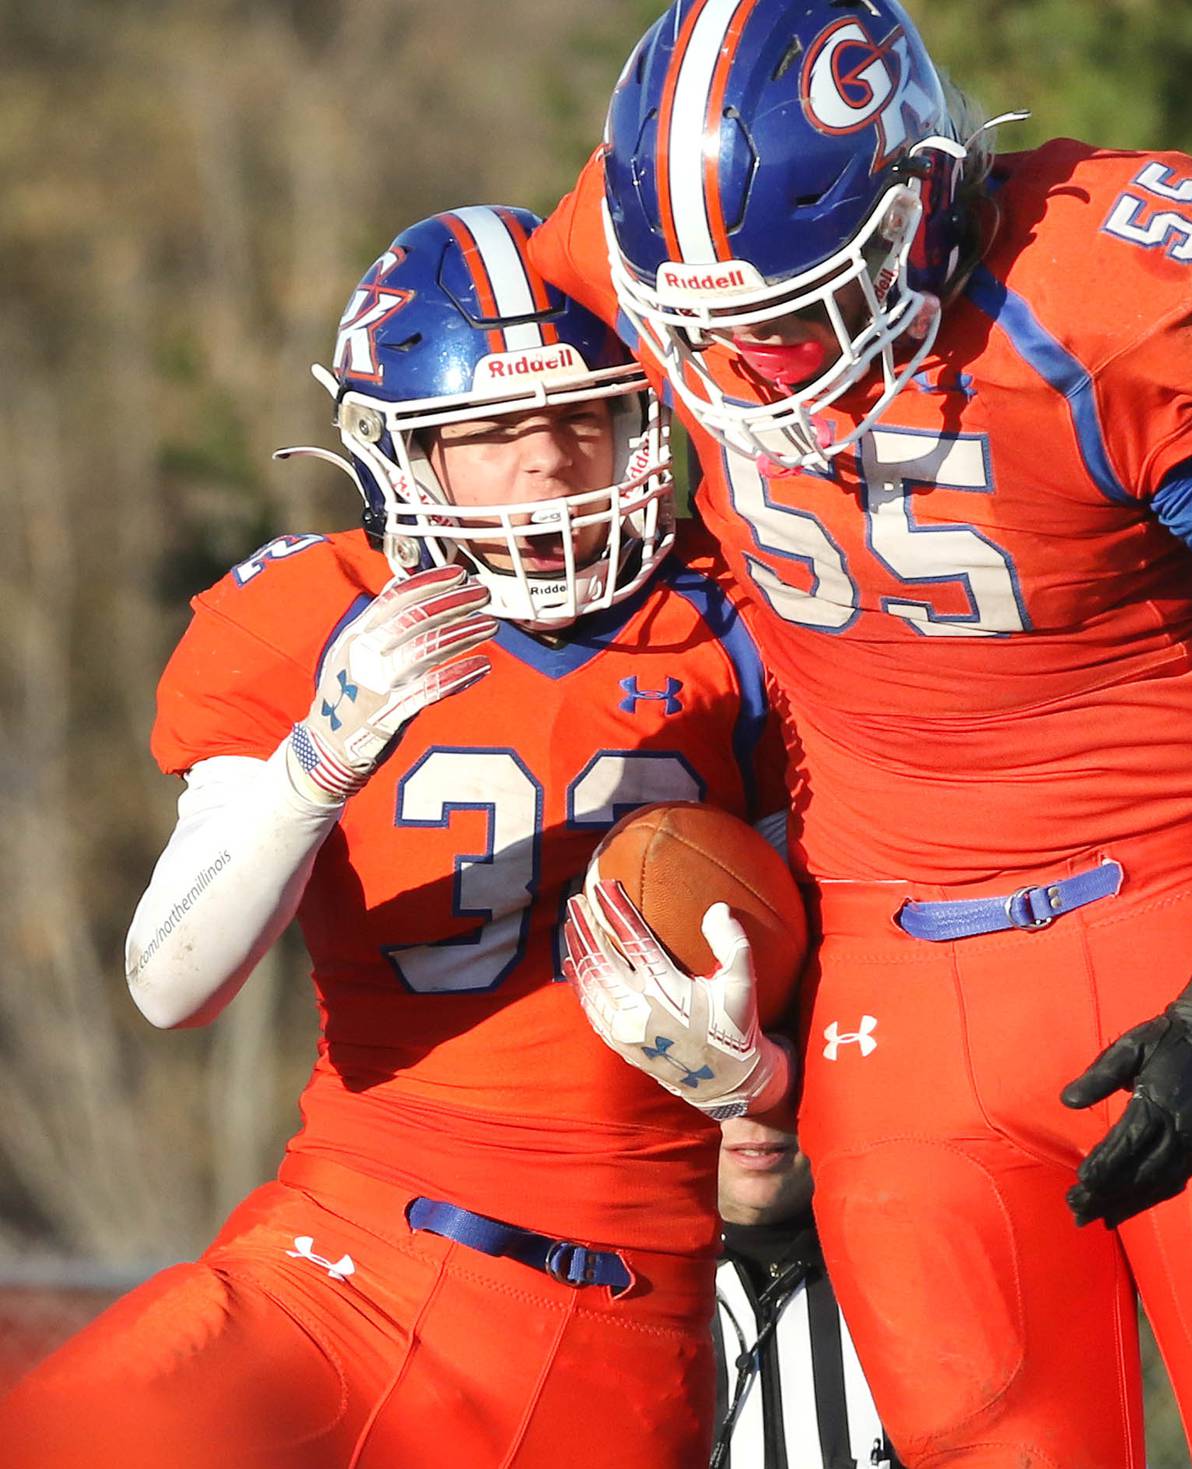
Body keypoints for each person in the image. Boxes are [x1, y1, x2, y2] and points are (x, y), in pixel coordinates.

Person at [541, 2, 1192, 1463]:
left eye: (793, 308)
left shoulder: (1111, 302)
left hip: (1183, 918)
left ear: (922, 196)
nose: (757, 367)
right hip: (903, 984)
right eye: (716, 328)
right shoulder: (651, 247)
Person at [0, 205, 791, 1469]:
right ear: (403, 456)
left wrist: (766, 1079)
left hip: (614, 1319)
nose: (552, 462)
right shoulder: (316, 619)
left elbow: (862, 963)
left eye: (586, 415)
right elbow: (171, 982)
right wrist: (321, 755)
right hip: (334, 1259)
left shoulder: (747, 620)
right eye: (493, 430)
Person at [712, 1109, 901, 1469]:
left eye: (785, 1080)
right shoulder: (613, 1288)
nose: (754, 1110)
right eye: (721, 1080)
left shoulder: (920, 1280)